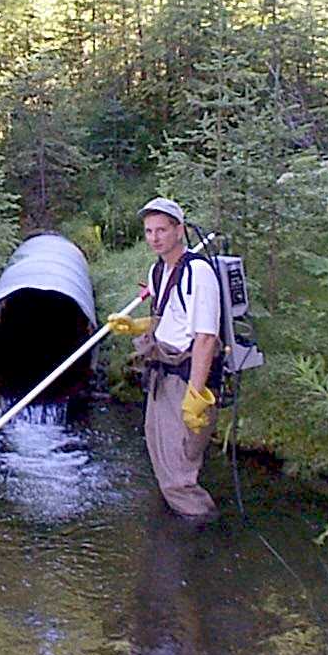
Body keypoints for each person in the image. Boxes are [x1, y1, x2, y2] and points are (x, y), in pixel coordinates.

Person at [107, 197, 222, 518]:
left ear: (179, 230)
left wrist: (196, 396)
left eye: (162, 230)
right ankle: (187, 531)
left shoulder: (199, 273)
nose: (155, 237)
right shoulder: (158, 271)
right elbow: (168, 318)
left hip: (186, 378)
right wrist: (136, 326)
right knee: (160, 454)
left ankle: (202, 533)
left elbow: (205, 337)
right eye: (148, 231)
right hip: (161, 375)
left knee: (179, 472)